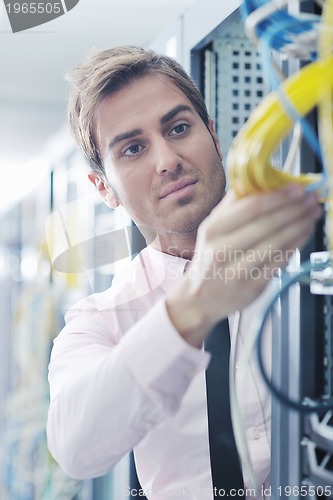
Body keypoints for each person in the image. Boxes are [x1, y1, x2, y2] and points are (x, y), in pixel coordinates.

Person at [46, 46, 322, 499]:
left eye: (178, 128)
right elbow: (76, 448)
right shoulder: (102, 319)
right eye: (133, 148)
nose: (167, 159)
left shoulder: (304, 263)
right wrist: (193, 305)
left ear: (213, 135)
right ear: (104, 188)